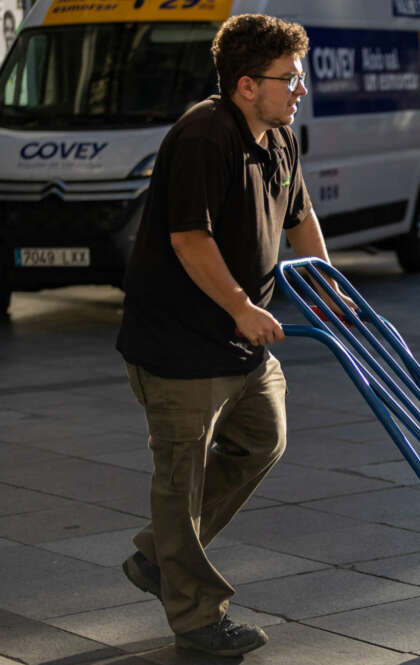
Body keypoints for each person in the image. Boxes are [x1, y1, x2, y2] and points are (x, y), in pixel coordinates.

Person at [115, 14, 356, 657]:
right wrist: (243, 305)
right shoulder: (203, 135)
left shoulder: (279, 136)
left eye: (299, 77)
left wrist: (327, 284)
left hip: (242, 341)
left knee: (262, 439)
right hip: (178, 341)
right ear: (246, 85)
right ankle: (195, 615)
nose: (300, 89)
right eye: (290, 78)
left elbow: (300, 217)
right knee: (181, 477)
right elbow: (188, 237)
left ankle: (157, 558)